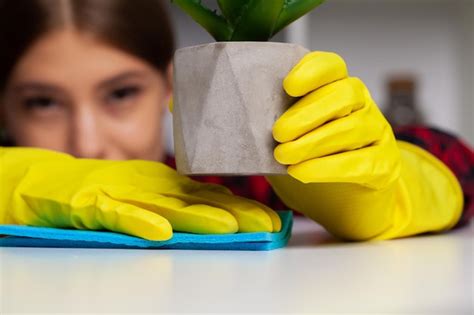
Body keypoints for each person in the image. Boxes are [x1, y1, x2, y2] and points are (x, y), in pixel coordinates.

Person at [0, 0, 472, 241]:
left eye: (121, 93)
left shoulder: (225, 189)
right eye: (43, 103)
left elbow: (460, 161)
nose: (88, 141)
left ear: (173, 87)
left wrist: (389, 187)